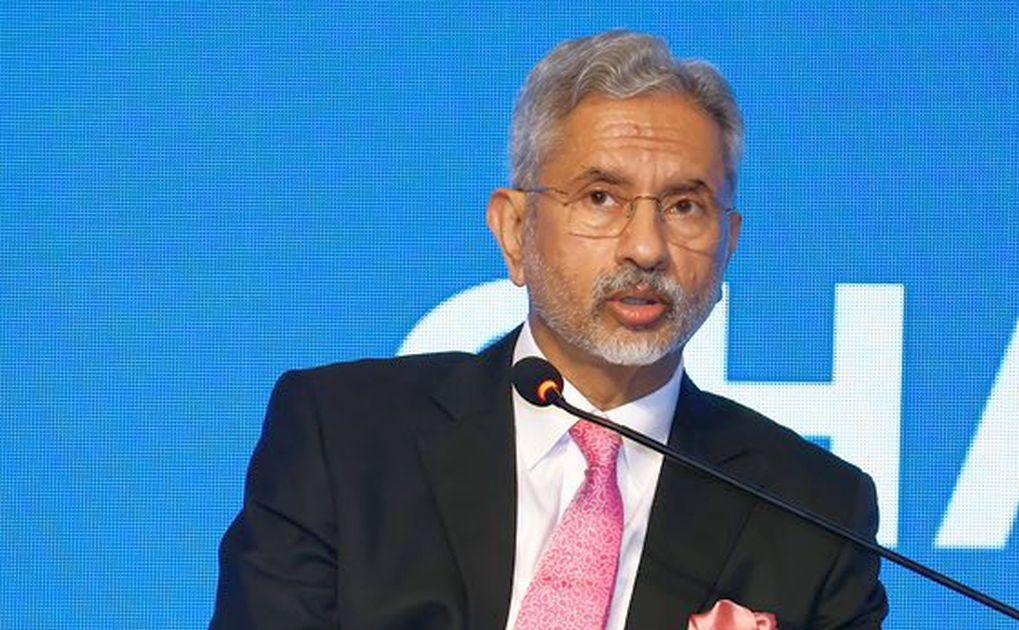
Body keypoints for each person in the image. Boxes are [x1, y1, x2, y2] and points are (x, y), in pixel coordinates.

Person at [211, 30, 887, 630]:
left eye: (685, 206)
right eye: (601, 198)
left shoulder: (813, 514)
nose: (646, 248)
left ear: (728, 242)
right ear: (515, 231)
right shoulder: (344, 438)